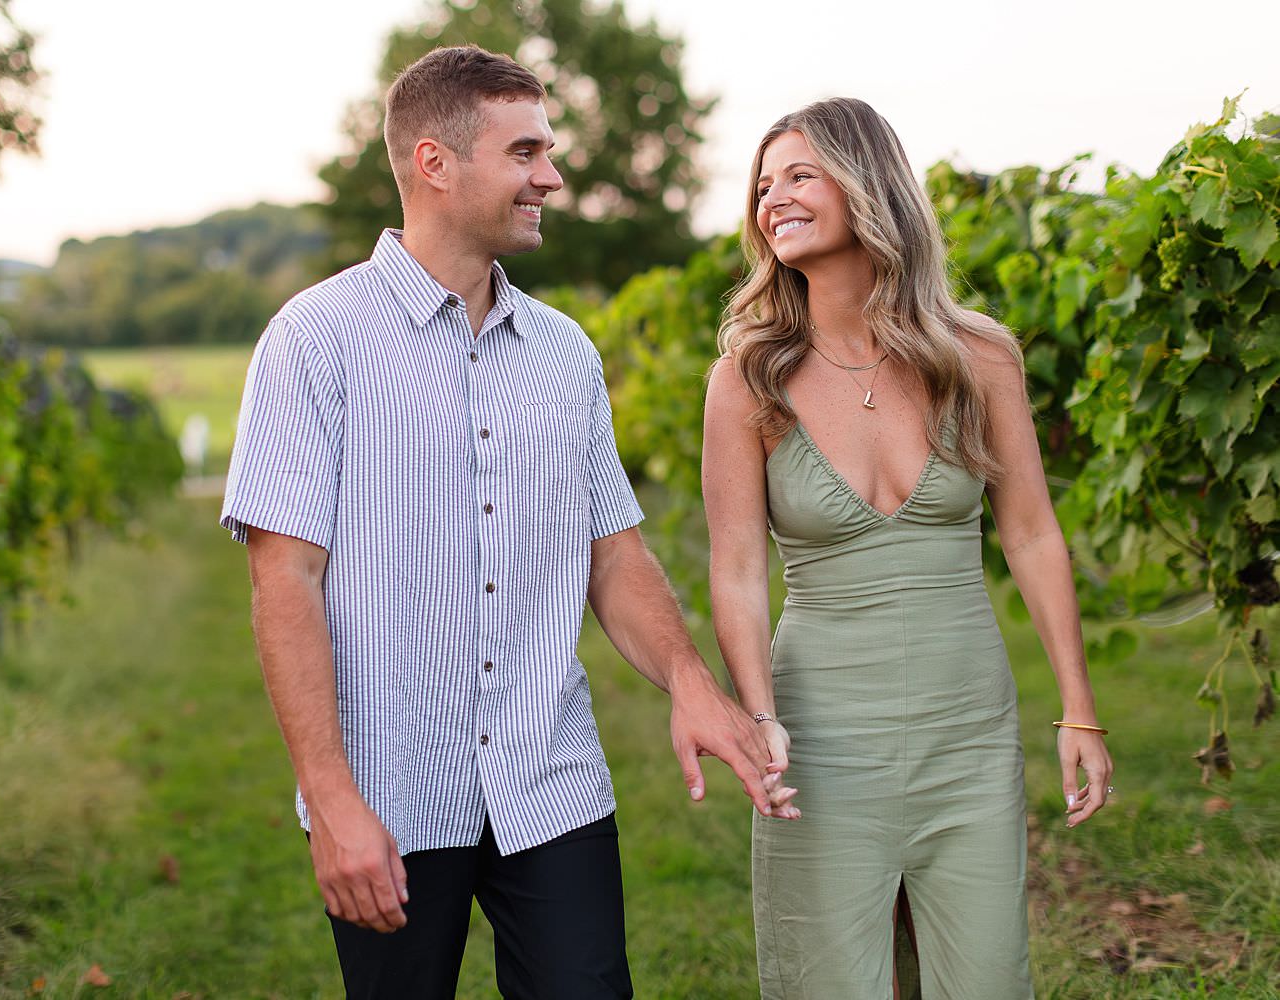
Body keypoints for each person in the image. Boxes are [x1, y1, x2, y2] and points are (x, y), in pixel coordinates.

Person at [221, 45, 783, 1000]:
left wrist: (690, 680)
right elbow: (287, 583)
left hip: (548, 780)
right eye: (526, 152)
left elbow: (613, 554)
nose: (552, 177)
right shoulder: (314, 343)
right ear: (435, 162)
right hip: (391, 793)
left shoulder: (563, 355)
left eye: (548, 151)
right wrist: (331, 800)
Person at [702, 97, 1115, 999]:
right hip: (816, 740)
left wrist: (1078, 710)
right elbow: (736, 567)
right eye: (763, 185)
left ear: (866, 183)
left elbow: (1034, 535)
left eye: (800, 175)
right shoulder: (747, 377)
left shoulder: (977, 355)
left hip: (966, 729)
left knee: (985, 980)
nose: (774, 199)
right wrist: (759, 717)